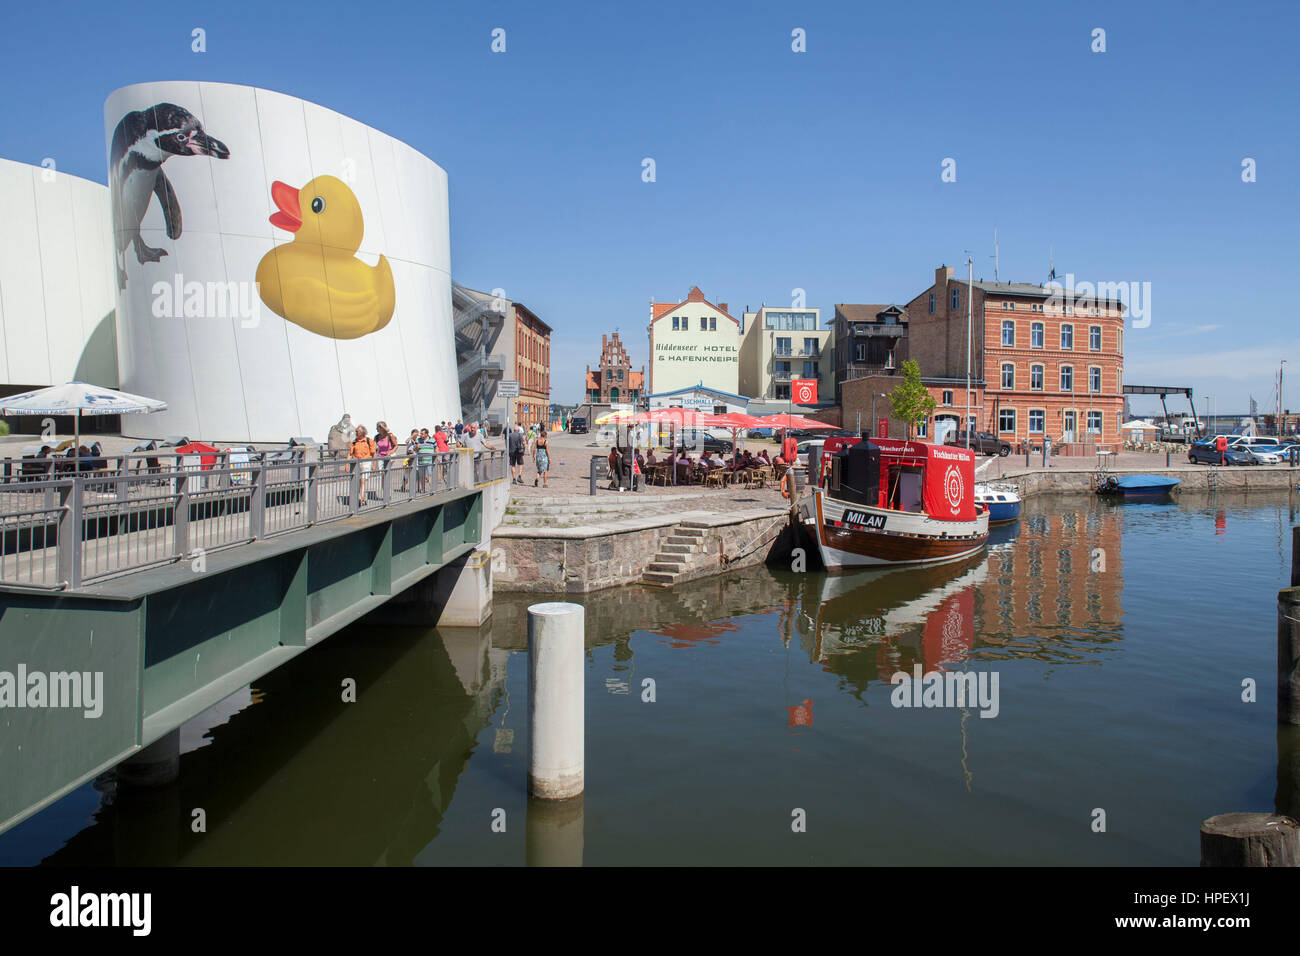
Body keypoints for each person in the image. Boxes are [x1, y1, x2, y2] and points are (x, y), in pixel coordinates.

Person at [348, 425, 377, 504]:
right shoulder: (354, 442)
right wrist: (347, 465)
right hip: (357, 463)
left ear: (362, 432)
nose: (356, 433)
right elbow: (350, 454)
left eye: (357, 431)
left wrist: (374, 464)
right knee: (358, 480)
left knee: (363, 480)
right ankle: (363, 497)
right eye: (356, 431)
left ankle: (361, 497)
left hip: (366, 462)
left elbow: (374, 453)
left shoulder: (369, 441)